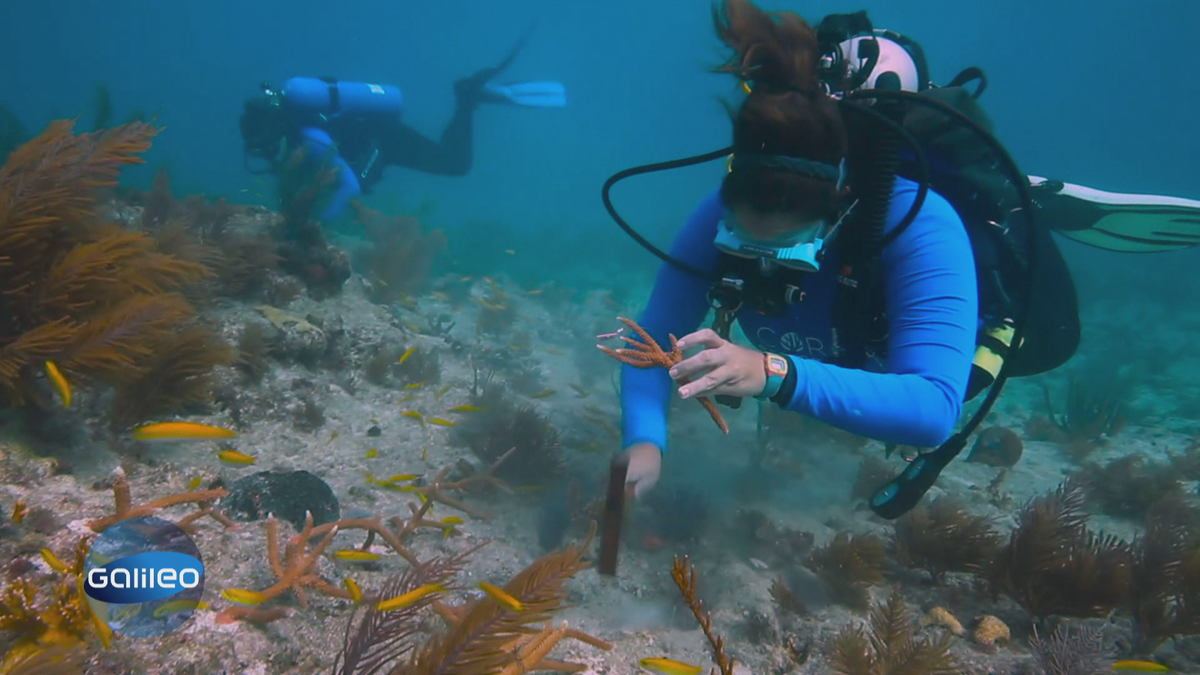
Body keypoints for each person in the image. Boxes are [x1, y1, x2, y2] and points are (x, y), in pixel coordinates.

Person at [606, 1, 1200, 519]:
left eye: (786, 251)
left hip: (931, 341)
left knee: (995, 351)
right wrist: (645, 439)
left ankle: (1028, 200)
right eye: (741, 241)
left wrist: (770, 373)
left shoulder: (919, 224)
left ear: (837, 213)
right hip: (831, 353)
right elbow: (650, 339)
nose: (762, 267)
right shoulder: (713, 215)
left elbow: (931, 410)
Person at [238, 31, 566, 221]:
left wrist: (317, 224)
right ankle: (468, 98)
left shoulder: (309, 136)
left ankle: (467, 98)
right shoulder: (299, 128)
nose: (267, 151)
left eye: (263, 142)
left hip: (384, 137)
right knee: (451, 162)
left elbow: (349, 186)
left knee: (455, 164)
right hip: (374, 134)